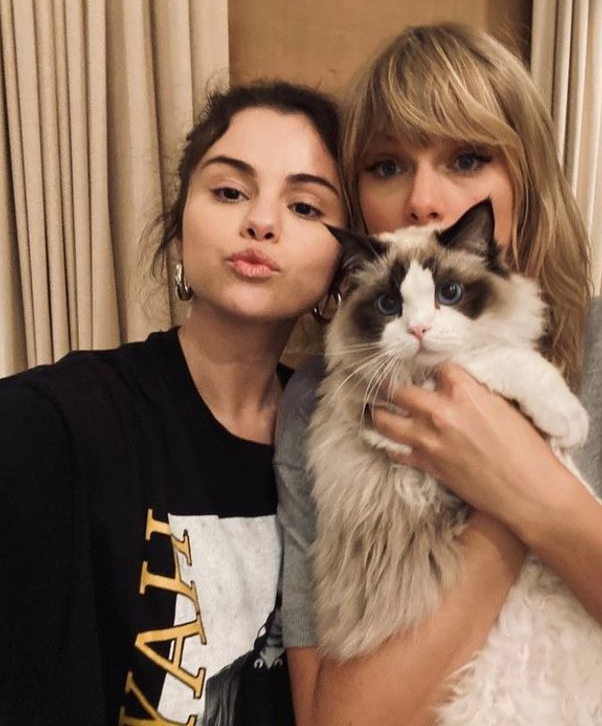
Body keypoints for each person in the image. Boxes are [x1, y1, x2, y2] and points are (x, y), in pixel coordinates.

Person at [274, 23, 602, 726]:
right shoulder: (321, 399)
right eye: (387, 165)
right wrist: (498, 521)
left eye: (465, 158)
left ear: (523, 179)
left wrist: (531, 485)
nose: (424, 200)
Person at [0, 81, 346, 725]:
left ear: (341, 264)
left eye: (303, 207)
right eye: (229, 191)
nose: (261, 222)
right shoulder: (63, 420)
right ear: (180, 232)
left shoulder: (347, 446)